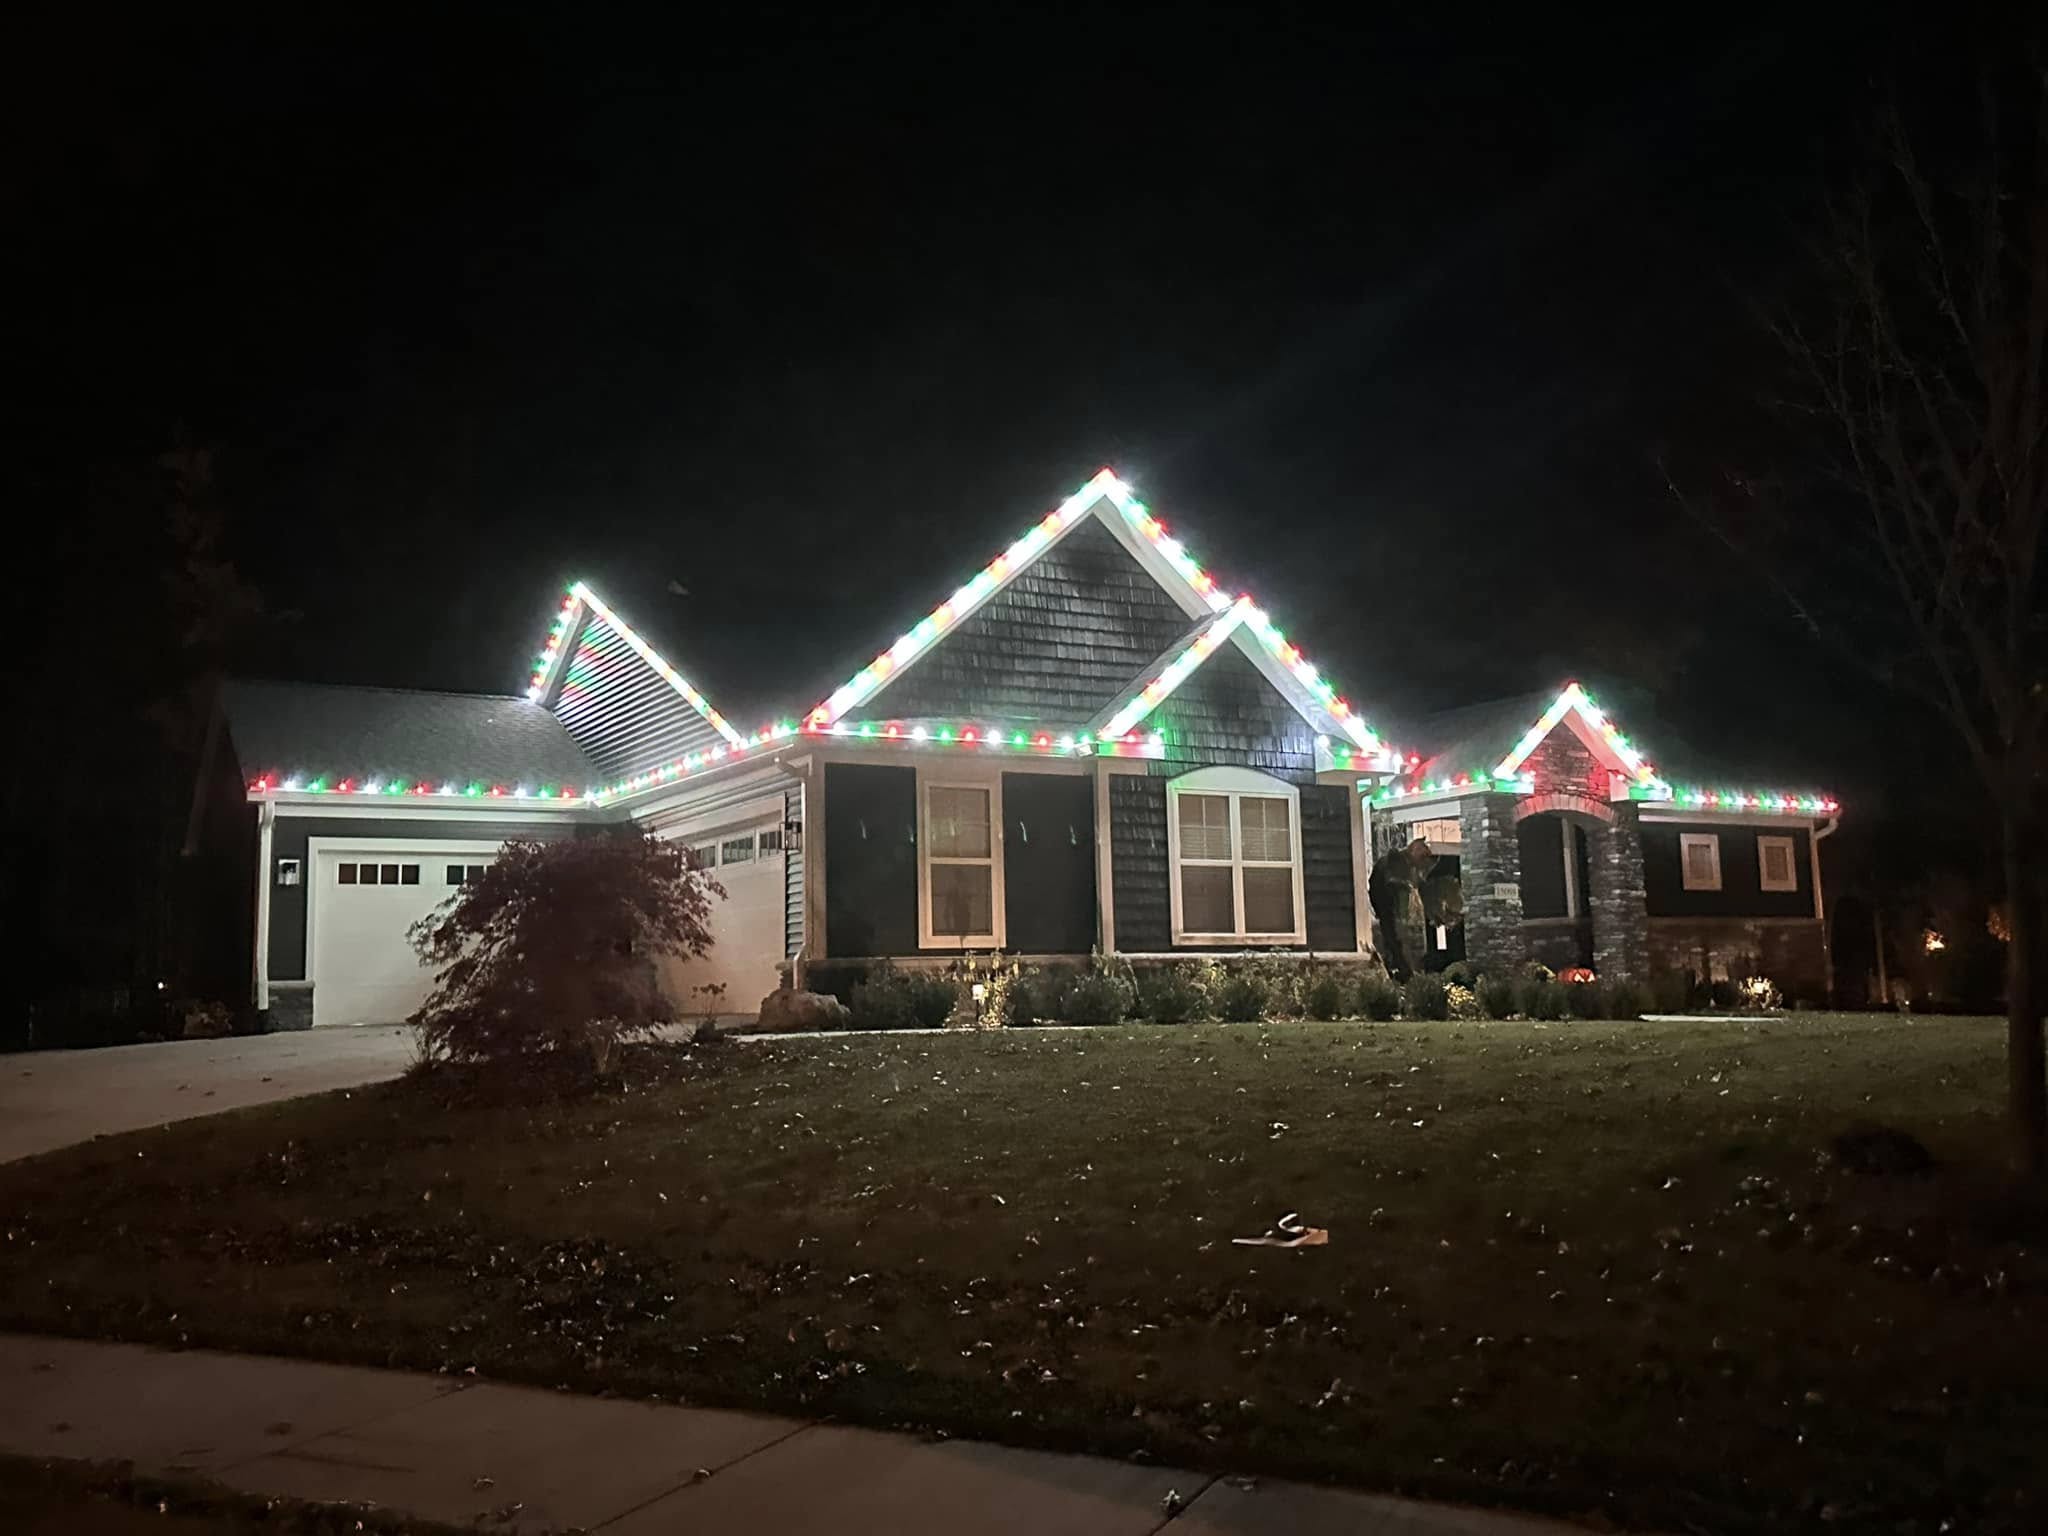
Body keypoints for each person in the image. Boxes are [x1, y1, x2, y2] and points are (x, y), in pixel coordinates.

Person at [1368, 837, 1435, 980]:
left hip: (1388, 909)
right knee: (1394, 940)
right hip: (1387, 907)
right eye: (1422, 857)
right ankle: (1402, 971)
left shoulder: (1402, 864)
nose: (1422, 863)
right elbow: (1394, 885)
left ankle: (1401, 969)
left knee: (1395, 941)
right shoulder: (1396, 863)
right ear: (1414, 849)